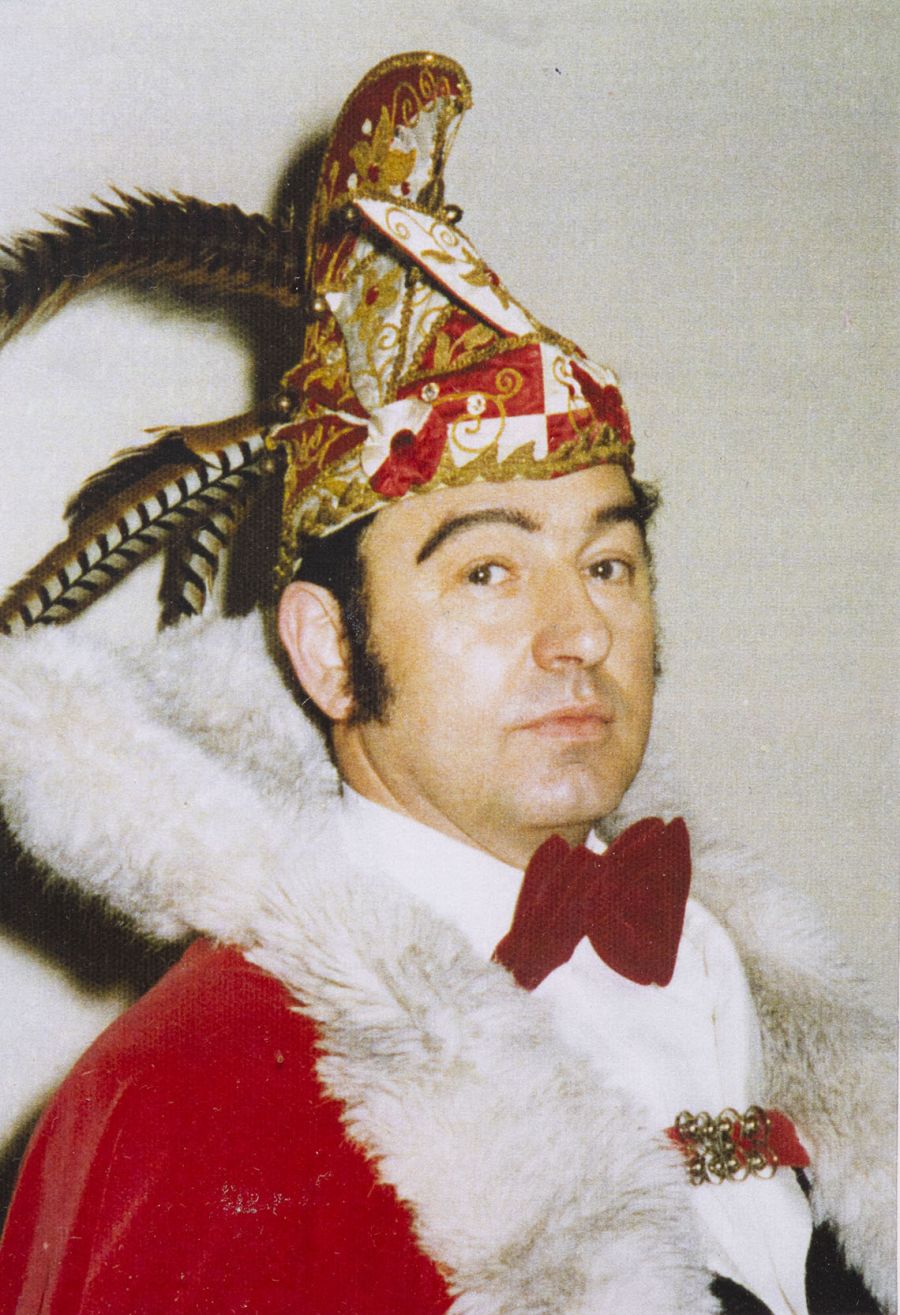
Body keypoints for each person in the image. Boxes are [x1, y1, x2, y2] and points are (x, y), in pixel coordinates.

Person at [0, 51, 893, 1315]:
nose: (577, 633)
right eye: (487, 573)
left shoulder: (725, 973)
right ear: (327, 650)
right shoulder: (197, 1094)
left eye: (608, 563)